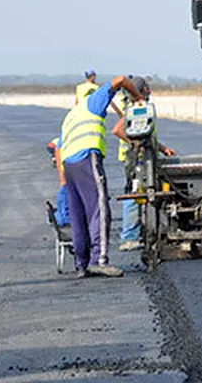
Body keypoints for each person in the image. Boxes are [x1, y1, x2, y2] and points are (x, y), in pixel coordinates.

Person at [57, 73, 144, 277]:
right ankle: (100, 260)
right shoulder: (93, 102)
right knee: (99, 209)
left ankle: (82, 264)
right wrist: (137, 97)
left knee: (79, 215)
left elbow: (59, 148)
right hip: (87, 158)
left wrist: (62, 177)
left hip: (69, 165)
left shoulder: (70, 115)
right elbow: (120, 80)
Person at [112, 77, 175, 251]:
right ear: (143, 90)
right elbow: (117, 130)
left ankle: (141, 231)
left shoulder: (141, 108)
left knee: (143, 192)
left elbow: (148, 134)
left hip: (143, 155)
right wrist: (135, 143)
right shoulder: (135, 108)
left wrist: (162, 149)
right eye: (147, 88)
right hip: (136, 158)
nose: (150, 91)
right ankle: (129, 237)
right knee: (134, 194)